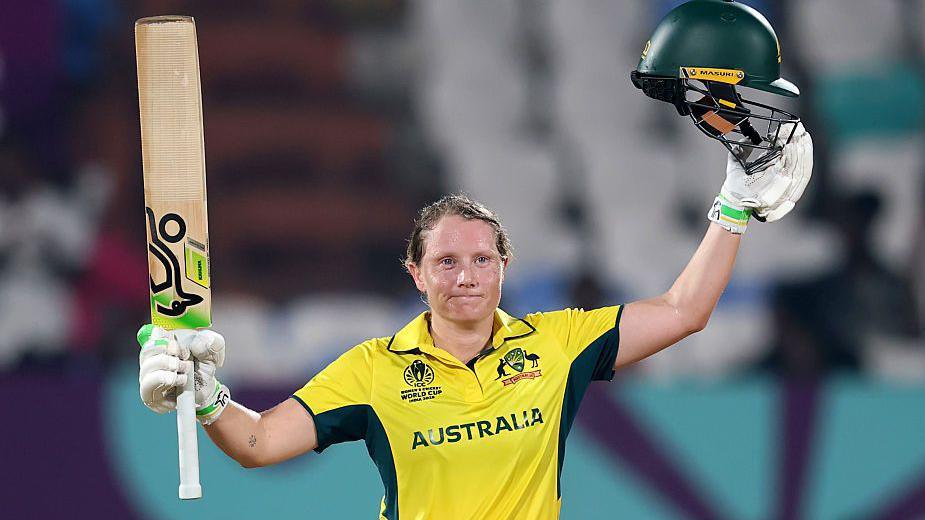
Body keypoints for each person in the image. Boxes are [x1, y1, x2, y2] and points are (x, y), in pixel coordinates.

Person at [136, 2, 813, 518]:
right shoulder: (372, 370)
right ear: (416, 274)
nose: (465, 276)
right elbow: (257, 446)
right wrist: (206, 397)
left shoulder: (558, 346)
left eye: (481, 259)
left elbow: (684, 310)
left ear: (503, 266)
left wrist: (732, 205)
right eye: (446, 261)